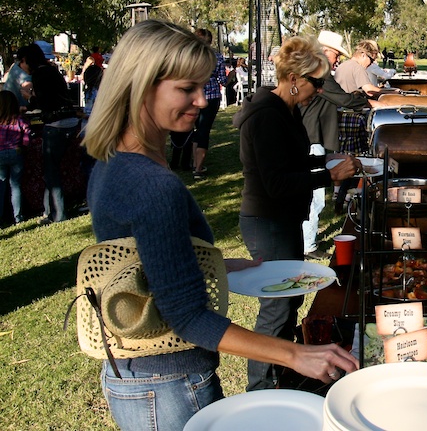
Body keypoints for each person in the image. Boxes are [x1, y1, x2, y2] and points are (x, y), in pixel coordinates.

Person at [82, 21, 358, 431]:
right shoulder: (153, 185)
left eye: (204, 86)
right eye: (186, 89)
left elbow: (143, 267)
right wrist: (294, 354)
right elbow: (188, 317)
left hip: (136, 375)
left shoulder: (112, 161)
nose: (202, 99)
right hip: (168, 380)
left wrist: (218, 265)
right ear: (141, 85)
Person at [233, 34, 361, 391]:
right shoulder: (265, 115)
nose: (319, 90)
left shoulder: (284, 111)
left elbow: (291, 161)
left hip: (281, 218)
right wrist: (328, 175)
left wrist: (325, 159)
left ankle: (281, 373)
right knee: (276, 307)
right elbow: (276, 182)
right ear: (293, 79)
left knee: (288, 303)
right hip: (267, 220)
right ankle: (260, 388)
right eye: (315, 82)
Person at [298, 30, 369, 249]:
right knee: (314, 197)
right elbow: (343, 99)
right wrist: (371, 102)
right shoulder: (321, 73)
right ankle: (308, 245)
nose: (337, 59)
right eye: (336, 55)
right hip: (312, 138)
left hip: (314, 137)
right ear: (324, 51)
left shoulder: (318, 72)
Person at [23, 43, 79, 223]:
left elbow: (43, 102)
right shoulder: (52, 70)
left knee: (51, 172)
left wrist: (29, 98)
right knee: (53, 170)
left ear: (27, 60)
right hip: (70, 121)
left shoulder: (39, 74)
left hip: (55, 125)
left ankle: (59, 213)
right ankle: (50, 211)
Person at [192, 28, 227, 180]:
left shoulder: (190, 56)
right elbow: (223, 81)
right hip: (211, 96)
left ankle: (194, 163)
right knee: (204, 131)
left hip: (192, 95)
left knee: (195, 129)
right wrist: (231, 75)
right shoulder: (217, 57)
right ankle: (198, 168)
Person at [0, 90, 30, 224]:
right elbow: (27, 134)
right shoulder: (19, 119)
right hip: (16, 152)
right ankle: (18, 216)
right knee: (15, 185)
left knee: (1, 186)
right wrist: (23, 146)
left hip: (0, 153)